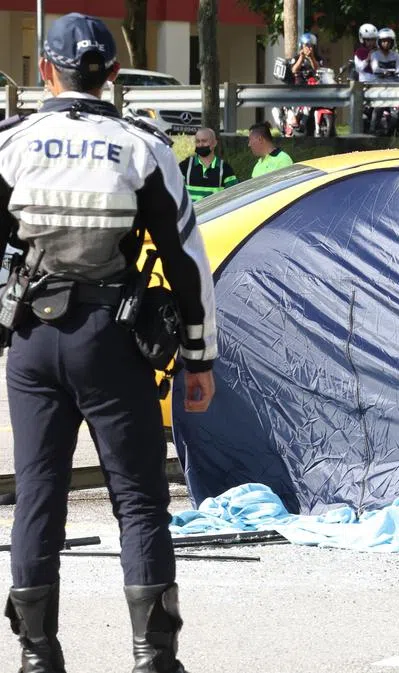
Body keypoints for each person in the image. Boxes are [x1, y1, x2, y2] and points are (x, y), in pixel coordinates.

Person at [0, 12, 217, 673]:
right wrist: (200, 355)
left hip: (33, 342)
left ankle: (38, 655)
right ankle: (153, 658)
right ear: (114, 76)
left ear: (45, 71)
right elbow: (185, 259)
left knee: (39, 493)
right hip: (113, 339)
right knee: (140, 498)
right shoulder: (142, 147)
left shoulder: (10, 144)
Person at [179, 127, 238, 203]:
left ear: (214, 143)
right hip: (191, 214)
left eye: (204, 141)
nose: (200, 144)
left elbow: (234, 196)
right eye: (197, 141)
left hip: (215, 214)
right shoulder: (184, 166)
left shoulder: (225, 169)